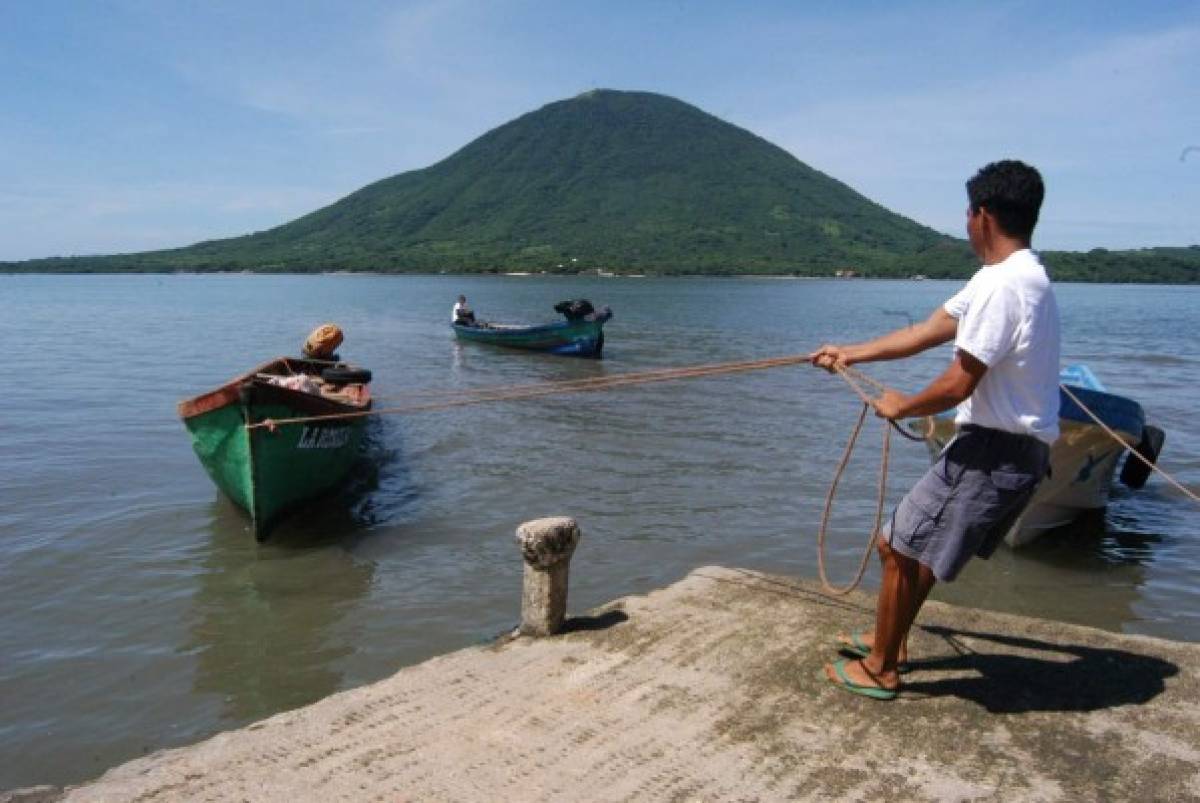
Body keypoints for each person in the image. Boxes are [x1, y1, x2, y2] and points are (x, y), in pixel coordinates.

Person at [809, 160, 1059, 700]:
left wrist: (903, 404)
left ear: (983, 216)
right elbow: (927, 332)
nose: (966, 222)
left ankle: (881, 668)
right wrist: (846, 352)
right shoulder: (1007, 278)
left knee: (895, 547)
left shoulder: (1007, 286)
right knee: (911, 549)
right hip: (1002, 448)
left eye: (968, 212)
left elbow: (957, 383)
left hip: (995, 451)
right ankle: (891, 643)